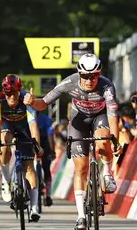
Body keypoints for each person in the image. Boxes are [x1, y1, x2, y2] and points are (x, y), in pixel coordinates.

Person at [26, 54, 122, 230]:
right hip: (78, 121)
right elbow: (44, 103)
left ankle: (107, 172)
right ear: (79, 74)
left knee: (103, 141)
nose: (89, 80)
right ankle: (80, 217)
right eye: (85, 76)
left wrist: (114, 140)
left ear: (99, 74)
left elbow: (113, 114)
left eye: (94, 75)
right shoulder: (69, 82)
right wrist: (32, 103)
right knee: (81, 168)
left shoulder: (106, 85)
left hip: (100, 117)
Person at [0, 74, 43, 222]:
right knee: (4, 141)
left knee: (29, 167)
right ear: (4, 92)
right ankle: (6, 180)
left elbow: (33, 124)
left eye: (15, 93)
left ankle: (34, 208)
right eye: (8, 93)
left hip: (24, 126)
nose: (12, 96)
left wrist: (36, 145)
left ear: (20, 91)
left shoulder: (26, 98)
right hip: (7, 126)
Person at [35, 110, 55, 207]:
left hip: (44, 142)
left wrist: (51, 150)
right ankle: (48, 195)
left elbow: (50, 134)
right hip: (35, 142)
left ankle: (48, 195)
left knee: (46, 168)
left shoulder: (46, 119)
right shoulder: (44, 118)